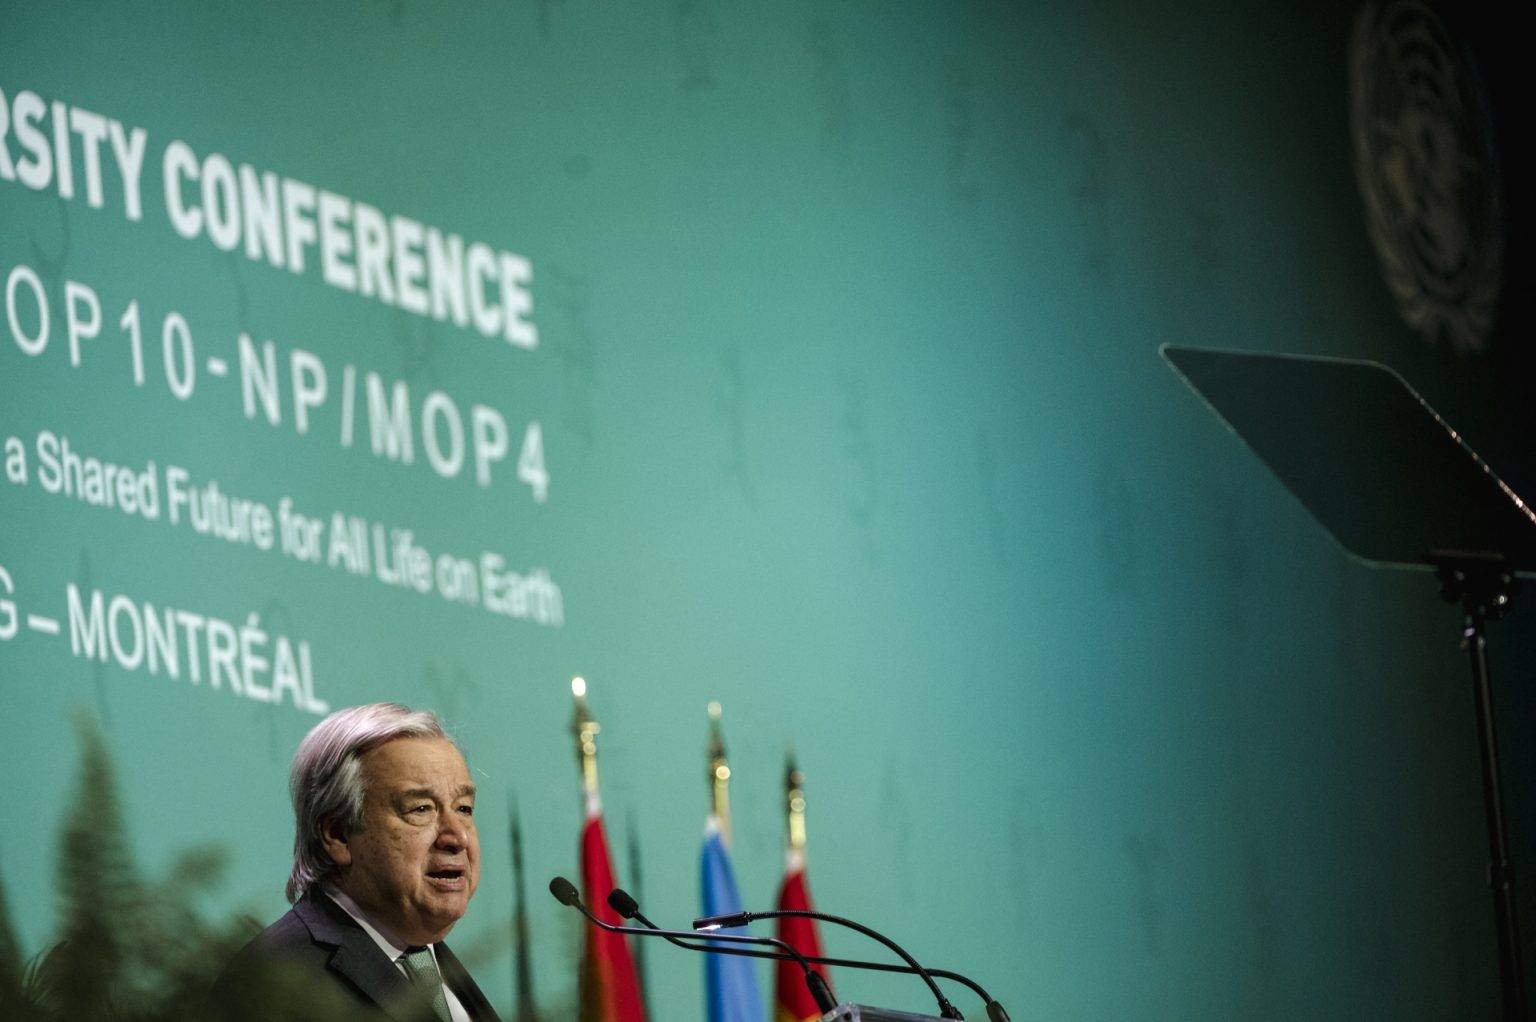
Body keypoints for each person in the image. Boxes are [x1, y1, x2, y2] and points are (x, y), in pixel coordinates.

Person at [217, 703, 501, 1021]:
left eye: (463, 809)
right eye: (421, 808)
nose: (457, 837)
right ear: (338, 835)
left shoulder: (431, 962)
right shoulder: (272, 980)